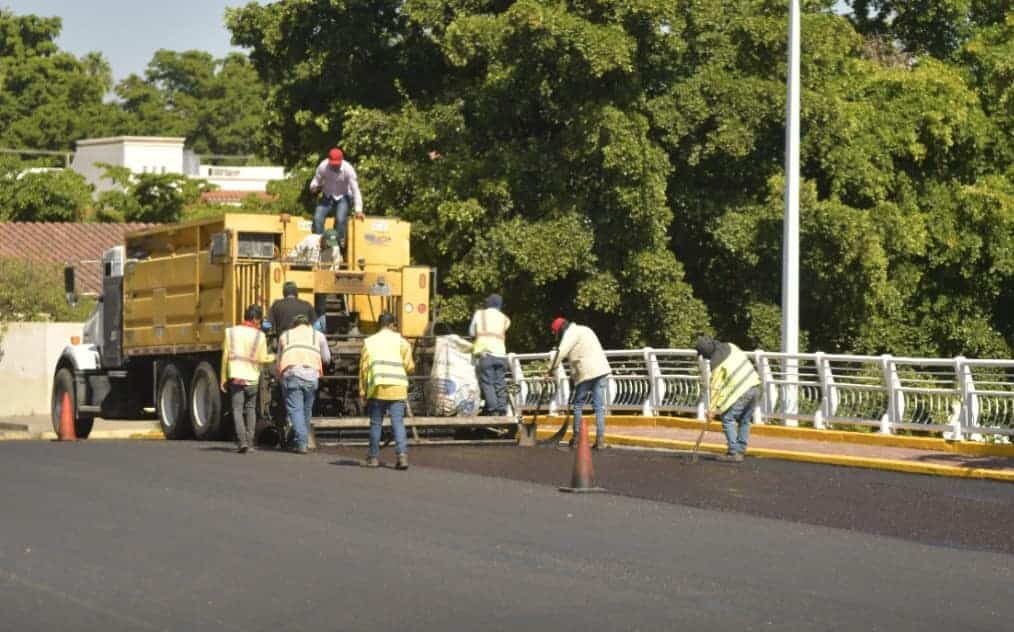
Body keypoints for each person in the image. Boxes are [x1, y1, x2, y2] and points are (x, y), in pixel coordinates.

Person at [359, 312, 415, 470]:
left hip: (377, 387)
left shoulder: (369, 342)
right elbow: (409, 366)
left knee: (376, 423)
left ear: (380, 324)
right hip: (398, 387)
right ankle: (402, 456)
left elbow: (363, 369)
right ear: (392, 325)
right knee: (398, 422)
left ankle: (373, 457)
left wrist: (362, 390)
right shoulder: (402, 342)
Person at [547, 317, 611, 450]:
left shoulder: (570, 334)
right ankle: (600, 440)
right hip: (601, 370)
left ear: (560, 330)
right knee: (599, 407)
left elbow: (561, 353)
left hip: (586, 373)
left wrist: (550, 370)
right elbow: (578, 354)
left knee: (578, 405)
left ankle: (576, 438)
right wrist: (573, 377)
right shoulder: (584, 329)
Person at [695, 334, 761, 463]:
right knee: (744, 420)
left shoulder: (717, 363)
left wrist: (711, 409)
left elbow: (715, 388)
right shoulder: (730, 346)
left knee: (727, 418)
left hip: (742, 391)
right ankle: (740, 449)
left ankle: (734, 452)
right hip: (755, 385)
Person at [220, 305, 273, 453]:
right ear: (255, 319)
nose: (260, 324)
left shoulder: (230, 332)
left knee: (237, 410)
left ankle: (241, 441)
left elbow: (225, 357)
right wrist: (274, 357)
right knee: (250, 409)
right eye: (260, 321)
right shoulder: (260, 336)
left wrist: (223, 378)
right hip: (252, 378)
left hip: (236, 377)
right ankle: (250, 443)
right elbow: (262, 358)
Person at [276, 313, 331, 454]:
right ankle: (301, 440)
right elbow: (327, 358)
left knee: (295, 411)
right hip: (311, 377)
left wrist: (279, 376)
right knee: (306, 411)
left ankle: (301, 442)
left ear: (294, 325)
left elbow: (279, 360)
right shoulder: (318, 335)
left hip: (292, 374)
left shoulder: (285, 335)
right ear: (308, 324)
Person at [308, 147, 364, 242]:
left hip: (343, 197)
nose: (335, 167)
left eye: (337, 164)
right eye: (333, 164)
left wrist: (358, 209)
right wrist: (313, 187)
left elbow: (355, 190)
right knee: (317, 218)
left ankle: (337, 245)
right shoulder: (323, 166)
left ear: (341, 160)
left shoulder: (348, 169)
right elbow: (316, 181)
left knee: (340, 219)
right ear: (329, 160)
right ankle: (319, 243)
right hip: (327, 196)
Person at [469, 293, 511, 416]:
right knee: (500, 383)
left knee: (488, 383)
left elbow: (471, 332)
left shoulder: (479, 314)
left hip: (485, 354)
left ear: (489, 303)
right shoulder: (505, 319)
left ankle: (493, 411)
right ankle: (503, 409)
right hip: (502, 355)